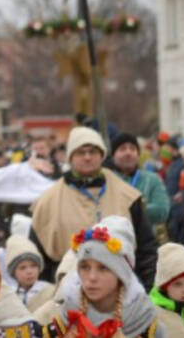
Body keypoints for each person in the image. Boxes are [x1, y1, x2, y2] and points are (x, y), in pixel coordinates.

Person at [29, 126, 158, 287]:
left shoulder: (127, 196)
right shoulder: (48, 201)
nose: (88, 157)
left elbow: (146, 248)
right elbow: (36, 256)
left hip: (121, 289)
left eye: (93, 151)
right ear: (70, 157)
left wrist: (147, 287)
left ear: (102, 155)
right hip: (67, 289)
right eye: (81, 152)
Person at [54, 215, 164, 337]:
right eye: (85, 267)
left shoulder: (144, 322)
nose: (92, 277)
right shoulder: (63, 317)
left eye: (103, 268)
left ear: (121, 274)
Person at [109, 132, 171, 230]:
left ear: (138, 155)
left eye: (132, 149)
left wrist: (128, 209)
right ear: (113, 156)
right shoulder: (107, 180)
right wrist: (142, 207)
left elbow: (162, 211)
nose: (128, 153)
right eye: (122, 149)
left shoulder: (152, 179)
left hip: (146, 240)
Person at [5, 234, 56, 309]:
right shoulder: (10, 296)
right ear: (13, 273)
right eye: (22, 268)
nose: (29, 271)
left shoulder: (50, 292)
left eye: (33, 266)